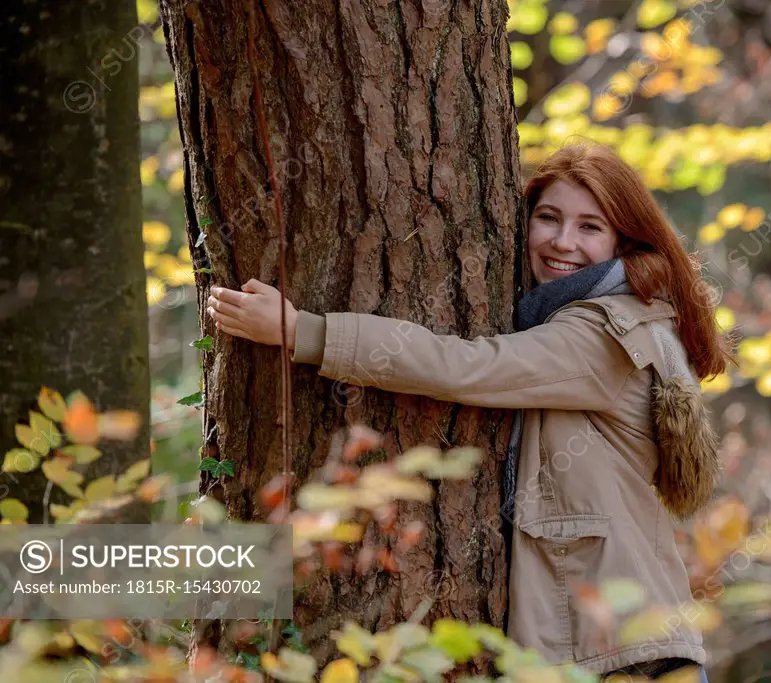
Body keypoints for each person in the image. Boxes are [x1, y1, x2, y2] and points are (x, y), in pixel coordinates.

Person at [206, 142, 729, 681]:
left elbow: (466, 366)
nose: (562, 241)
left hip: (625, 657)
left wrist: (305, 331)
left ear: (624, 239)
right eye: (548, 218)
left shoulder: (604, 333)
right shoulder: (612, 316)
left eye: (590, 227)